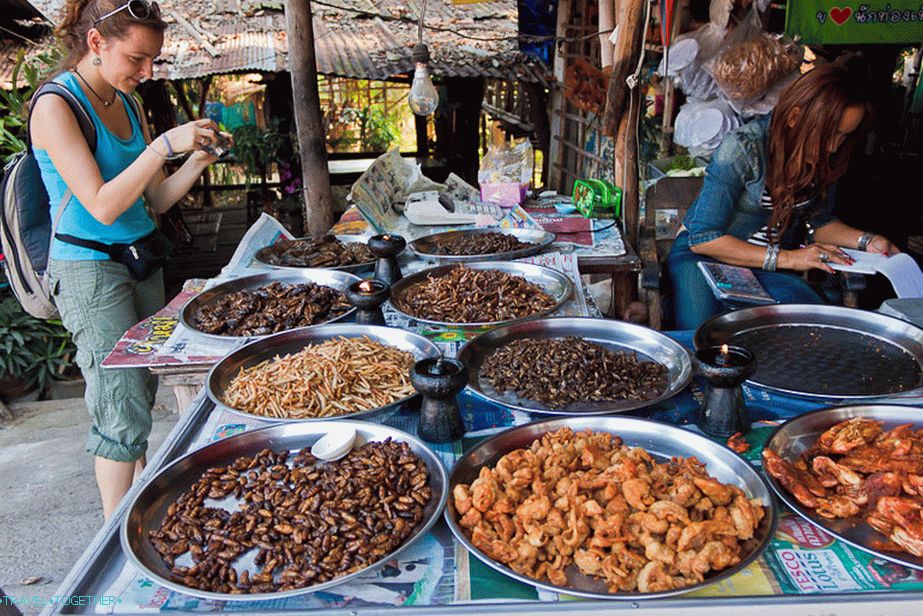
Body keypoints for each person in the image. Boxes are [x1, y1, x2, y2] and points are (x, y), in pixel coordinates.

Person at [31, 0, 227, 520]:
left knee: (137, 393)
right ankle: (113, 540)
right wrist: (164, 145)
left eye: (153, 61)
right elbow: (102, 203)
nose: (147, 73)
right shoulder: (57, 106)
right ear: (96, 43)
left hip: (140, 260)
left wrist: (197, 159)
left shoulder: (129, 101)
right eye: (137, 59)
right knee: (119, 409)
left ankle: (134, 514)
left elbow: (155, 202)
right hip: (90, 270)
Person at [667, 62, 899, 330]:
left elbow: (819, 222)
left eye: (844, 136)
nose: (835, 147)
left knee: (810, 325)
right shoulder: (744, 147)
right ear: (794, 118)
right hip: (704, 258)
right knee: (703, 333)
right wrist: (789, 258)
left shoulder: (824, 160)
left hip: (763, 269)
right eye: (830, 134)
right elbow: (704, 238)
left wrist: (868, 241)